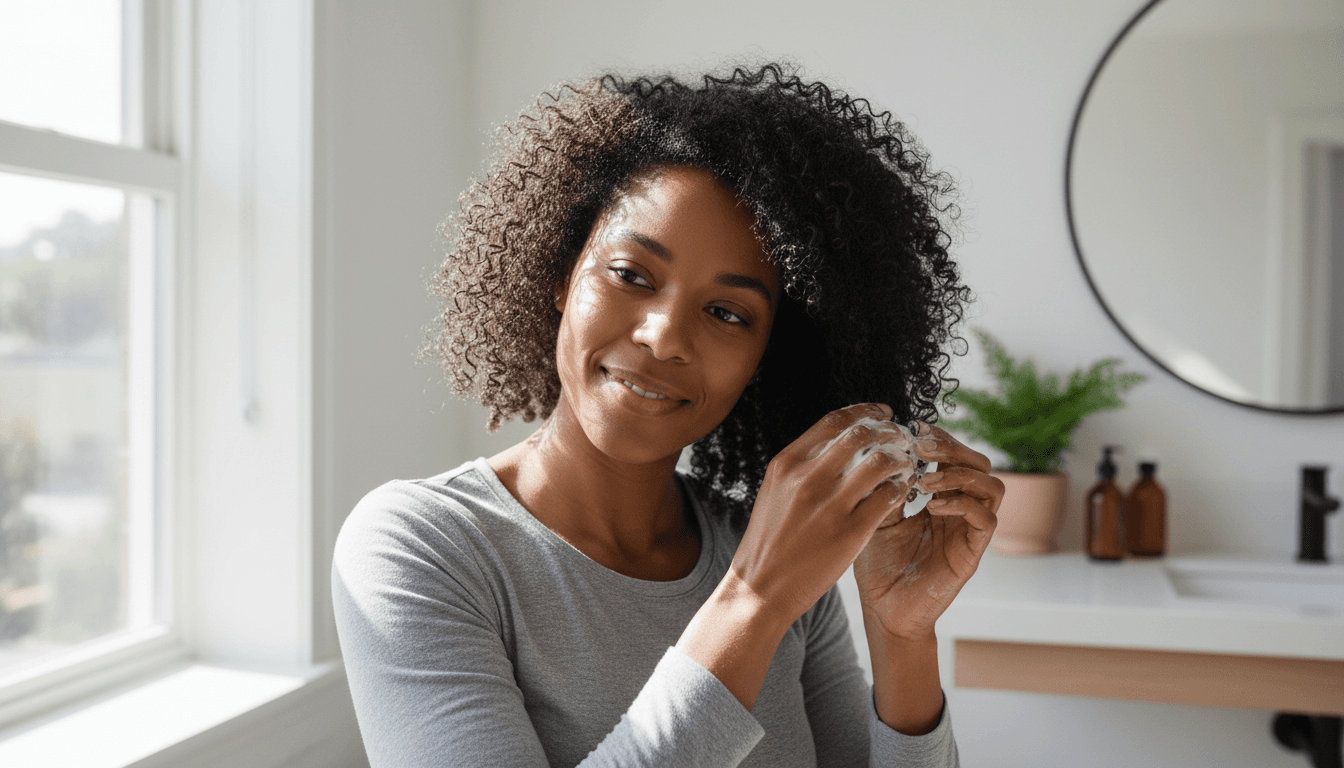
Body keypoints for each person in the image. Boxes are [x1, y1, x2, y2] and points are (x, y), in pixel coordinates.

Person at [332, 62, 1003, 768]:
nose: (664, 337)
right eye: (631, 275)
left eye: (726, 313)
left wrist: (900, 636)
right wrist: (751, 598)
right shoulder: (420, 547)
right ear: (564, 275)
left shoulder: (768, 547)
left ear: (767, 356)